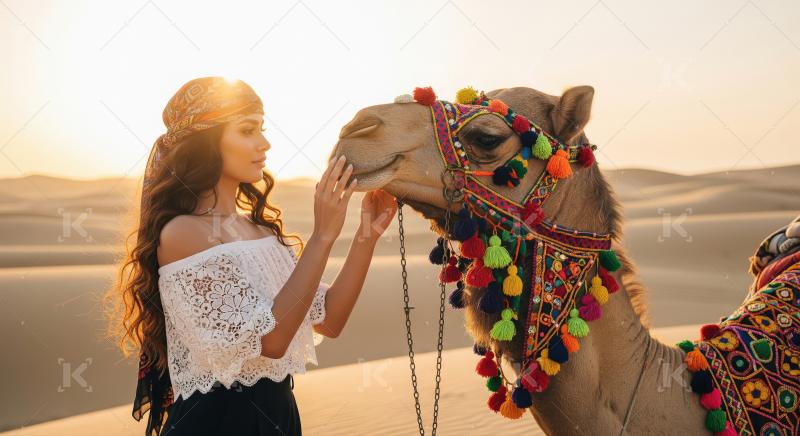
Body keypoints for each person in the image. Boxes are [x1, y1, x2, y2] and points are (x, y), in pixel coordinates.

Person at [104, 77, 397, 436]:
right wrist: (322, 235)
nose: (265, 143)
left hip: (278, 418)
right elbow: (270, 341)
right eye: (247, 130)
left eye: (262, 128)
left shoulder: (260, 232)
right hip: (217, 424)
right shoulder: (181, 233)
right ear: (205, 141)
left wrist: (366, 234)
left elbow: (330, 319)